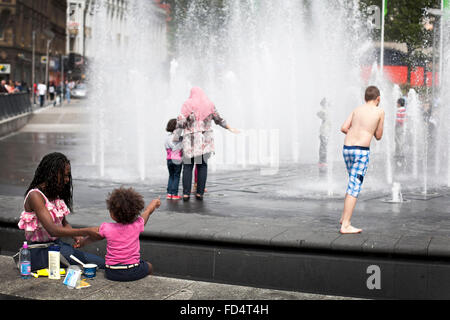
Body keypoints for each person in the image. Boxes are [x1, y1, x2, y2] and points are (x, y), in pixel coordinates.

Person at [17, 152, 105, 271]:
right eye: (63, 176)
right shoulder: (35, 196)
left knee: (98, 263)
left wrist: (78, 237)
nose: (67, 180)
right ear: (50, 174)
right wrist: (87, 230)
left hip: (57, 247)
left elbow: (63, 223)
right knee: (99, 264)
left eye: (68, 175)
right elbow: (52, 230)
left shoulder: (54, 194)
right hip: (41, 252)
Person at [76, 187, 161, 282]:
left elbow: (94, 237)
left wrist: (82, 242)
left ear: (112, 214)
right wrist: (155, 203)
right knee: (149, 266)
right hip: (132, 271)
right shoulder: (137, 225)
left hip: (111, 272)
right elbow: (148, 211)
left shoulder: (106, 227)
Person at [174, 87, 239, 201]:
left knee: (188, 167)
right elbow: (219, 119)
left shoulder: (187, 104)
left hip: (191, 140)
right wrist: (230, 128)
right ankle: (200, 193)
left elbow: (181, 123)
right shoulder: (209, 104)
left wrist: (176, 135)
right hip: (205, 140)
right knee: (202, 166)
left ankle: (186, 194)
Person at [339, 86, 384, 234]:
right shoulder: (379, 111)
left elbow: (344, 128)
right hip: (361, 151)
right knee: (354, 186)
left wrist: (356, 132)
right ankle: (345, 225)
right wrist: (367, 132)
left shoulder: (356, 109)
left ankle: (343, 217)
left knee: (352, 182)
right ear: (378, 99)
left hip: (347, 149)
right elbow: (378, 136)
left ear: (365, 98)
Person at [165, 118, 183, 200]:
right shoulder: (178, 137)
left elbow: (167, 147)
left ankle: (169, 193)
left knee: (171, 176)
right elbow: (180, 146)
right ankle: (175, 194)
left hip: (169, 159)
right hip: (177, 160)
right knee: (176, 176)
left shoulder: (167, 137)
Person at [317, 97, 331, 175]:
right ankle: (322, 161)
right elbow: (318, 114)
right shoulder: (323, 111)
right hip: (324, 131)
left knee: (324, 145)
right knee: (323, 146)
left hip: (327, 131)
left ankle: (323, 160)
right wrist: (324, 115)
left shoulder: (328, 111)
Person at [394, 97, 406, 162]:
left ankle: (399, 153)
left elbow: (398, 120)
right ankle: (401, 152)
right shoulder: (404, 109)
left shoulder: (399, 110)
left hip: (399, 126)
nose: (396, 104)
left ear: (399, 104)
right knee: (401, 139)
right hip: (402, 126)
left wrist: (396, 125)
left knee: (397, 140)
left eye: (397, 103)